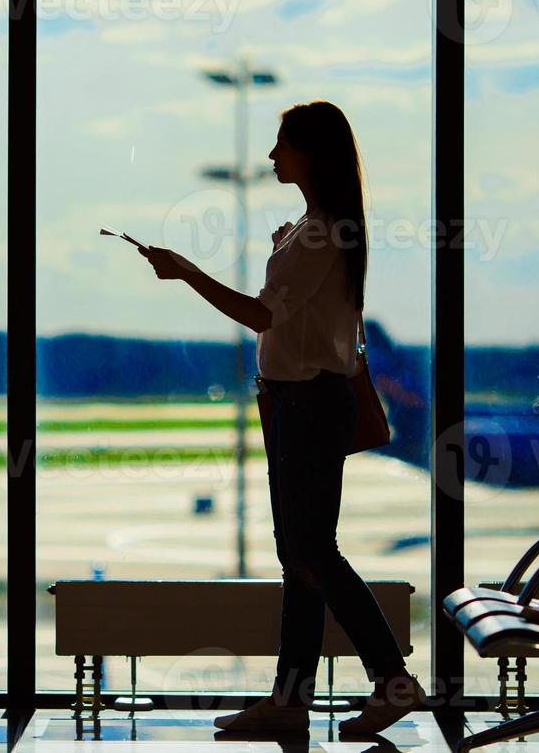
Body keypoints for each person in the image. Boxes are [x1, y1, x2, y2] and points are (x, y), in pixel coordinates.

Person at [139, 99, 425, 737]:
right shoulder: (317, 227)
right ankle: (292, 697)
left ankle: (391, 679)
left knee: (311, 552)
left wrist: (185, 271)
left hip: (306, 405)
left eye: (282, 145)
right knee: (299, 553)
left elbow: (264, 316)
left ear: (311, 153)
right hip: (299, 402)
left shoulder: (321, 231)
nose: (271, 156)